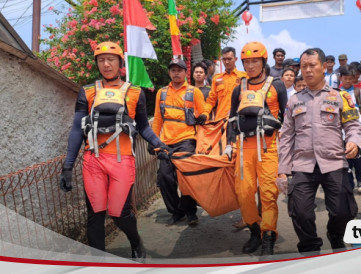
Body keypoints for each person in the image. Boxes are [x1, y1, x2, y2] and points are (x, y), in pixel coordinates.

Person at [58, 41, 167, 260]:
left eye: (111, 60)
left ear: (120, 63)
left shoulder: (135, 93)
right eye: (101, 60)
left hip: (122, 160)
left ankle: (136, 242)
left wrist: (159, 144)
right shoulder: (88, 91)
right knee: (95, 213)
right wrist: (68, 165)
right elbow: (76, 130)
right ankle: (100, 262)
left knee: (120, 213)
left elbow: (144, 126)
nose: (106, 64)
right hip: (93, 160)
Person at [278, 48, 361, 253]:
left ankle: (335, 233)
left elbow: (353, 126)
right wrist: (282, 170)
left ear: (324, 67)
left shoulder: (340, 96)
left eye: (312, 65)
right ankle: (310, 248)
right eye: (304, 66)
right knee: (300, 212)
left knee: (343, 211)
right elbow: (286, 136)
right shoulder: (294, 100)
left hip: (333, 162)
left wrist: (354, 142)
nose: (307, 70)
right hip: (303, 165)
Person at [223, 41, 287, 256]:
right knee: (244, 193)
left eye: (255, 61)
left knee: (269, 194)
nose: (250, 66)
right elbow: (231, 119)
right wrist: (229, 145)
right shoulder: (238, 88)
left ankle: (268, 236)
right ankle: (254, 229)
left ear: (263, 62)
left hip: (269, 148)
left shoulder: (277, 85)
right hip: (243, 149)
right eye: (247, 62)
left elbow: (286, 121)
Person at [151, 58, 209, 226]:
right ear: (169, 73)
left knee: (186, 178)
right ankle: (176, 211)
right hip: (165, 142)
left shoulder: (193, 92)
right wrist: (153, 140)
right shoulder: (161, 92)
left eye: (179, 70)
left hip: (187, 139)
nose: (176, 73)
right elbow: (157, 120)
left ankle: (191, 212)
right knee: (164, 177)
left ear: (185, 73)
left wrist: (203, 114)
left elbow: (204, 108)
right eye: (173, 70)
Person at [339, 65, 361, 193]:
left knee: (358, 157)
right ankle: (349, 184)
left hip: (358, 130)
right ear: (341, 78)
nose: (347, 81)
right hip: (341, 132)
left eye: (350, 79)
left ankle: (360, 180)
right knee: (346, 159)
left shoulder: (358, 92)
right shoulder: (335, 93)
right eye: (345, 78)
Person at [205, 47, 247, 122]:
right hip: (221, 119)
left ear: (235, 59)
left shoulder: (244, 77)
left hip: (238, 119)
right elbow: (211, 99)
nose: (227, 62)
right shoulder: (216, 78)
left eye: (229, 59)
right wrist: (205, 113)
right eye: (224, 59)